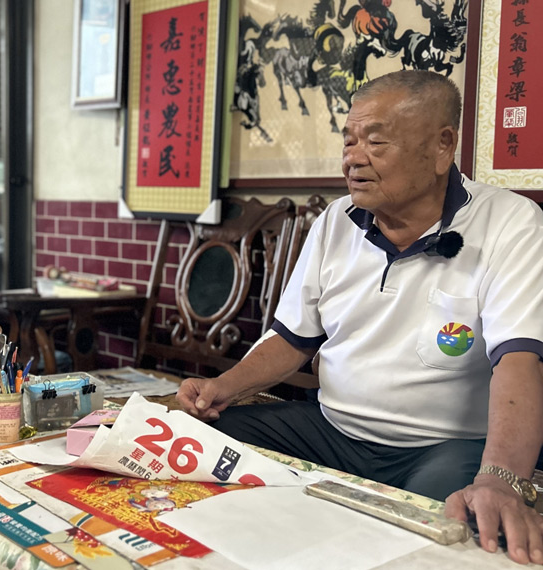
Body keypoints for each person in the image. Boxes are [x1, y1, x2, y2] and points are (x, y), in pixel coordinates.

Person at [177, 70, 543, 565]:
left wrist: (500, 479)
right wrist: (222, 387)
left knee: (441, 528)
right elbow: (292, 338)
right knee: (197, 444)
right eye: (348, 141)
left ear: (443, 146)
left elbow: (518, 361)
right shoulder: (336, 220)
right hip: (331, 430)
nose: (353, 157)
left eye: (376, 141)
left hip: (444, 446)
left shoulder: (511, 223)